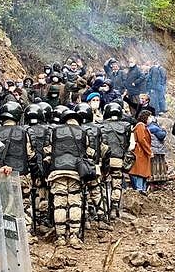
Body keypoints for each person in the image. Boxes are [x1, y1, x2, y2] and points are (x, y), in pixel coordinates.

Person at [48, 109, 92, 249]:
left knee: (59, 204)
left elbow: (47, 150)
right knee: (74, 203)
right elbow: (88, 152)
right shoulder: (83, 132)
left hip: (57, 171)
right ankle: (73, 236)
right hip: (75, 172)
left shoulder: (54, 131)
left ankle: (60, 237)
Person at [0, 101, 36, 230]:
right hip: (21, 174)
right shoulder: (24, 132)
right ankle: (26, 234)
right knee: (25, 204)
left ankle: (8, 234)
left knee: (5, 205)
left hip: (1, 175)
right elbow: (30, 155)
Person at [75, 103, 110, 235]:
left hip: (78, 167)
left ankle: (85, 219)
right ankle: (101, 218)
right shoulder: (98, 129)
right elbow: (105, 149)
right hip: (94, 166)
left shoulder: (75, 130)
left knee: (80, 193)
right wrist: (105, 169)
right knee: (96, 192)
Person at [101, 103, 134, 219]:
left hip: (103, 160)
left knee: (100, 184)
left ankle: (101, 209)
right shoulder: (126, 126)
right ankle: (114, 208)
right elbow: (130, 145)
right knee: (116, 184)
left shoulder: (100, 125)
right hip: (118, 159)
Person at [24, 103, 52, 234]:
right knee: (43, 195)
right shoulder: (48, 130)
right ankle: (42, 221)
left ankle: (32, 222)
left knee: (31, 195)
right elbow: (49, 150)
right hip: (44, 167)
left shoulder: (24, 131)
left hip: (29, 167)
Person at [130, 110, 153, 194]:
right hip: (140, 152)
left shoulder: (142, 126)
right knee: (140, 172)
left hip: (142, 152)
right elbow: (142, 140)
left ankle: (142, 189)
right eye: (150, 116)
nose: (151, 118)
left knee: (142, 172)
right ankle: (139, 189)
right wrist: (149, 151)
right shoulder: (140, 126)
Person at [147, 115, 168, 189]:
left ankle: (152, 182)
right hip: (158, 150)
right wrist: (164, 130)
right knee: (159, 166)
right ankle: (159, 182)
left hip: (152, 150)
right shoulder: (154, 128)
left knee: (152, 166)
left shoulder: (148, 127)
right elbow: (162, 136)